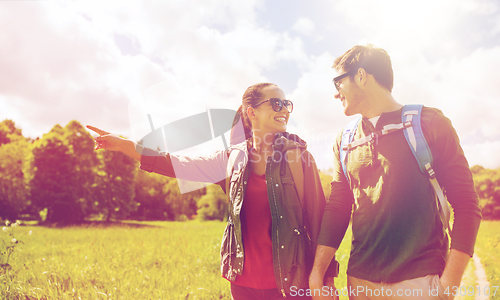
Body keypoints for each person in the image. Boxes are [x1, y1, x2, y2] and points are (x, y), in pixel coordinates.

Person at [87, 82, 338, 300]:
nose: (284, 109)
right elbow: (176, 164)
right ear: (252, 112)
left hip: (290, 284)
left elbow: (318, 221)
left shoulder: (299, 158)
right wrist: (125, 146)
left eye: (286, 103)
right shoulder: (229, 160)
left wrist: (326, 279)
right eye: (275, 103)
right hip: (242, 283)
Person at [308, 45, 481, 300]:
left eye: (338, 82)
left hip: (421, 282)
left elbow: (467, 206)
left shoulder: (430, 124)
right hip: (360, 282)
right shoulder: (343, 141)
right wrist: (317, 271)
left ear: (361, 76)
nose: (336, 94)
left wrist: (448, 286)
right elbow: (338, 208)